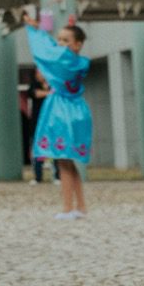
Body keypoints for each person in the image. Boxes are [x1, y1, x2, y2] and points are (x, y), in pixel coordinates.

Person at [25, 19, 91, 219]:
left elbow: (45, 51)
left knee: (62, 162)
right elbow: (51, 49)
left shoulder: (65, 62)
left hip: (61, 111)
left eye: (65, 40)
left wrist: (34, 31)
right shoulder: (79, 62)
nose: (60, 44)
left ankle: (67, 208)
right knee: (69, 162)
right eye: (59, 39)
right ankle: (80, 206)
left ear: (77, 44)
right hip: (76, 108)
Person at [25, 68, 52, 184]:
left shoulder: (52, 84)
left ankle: (57, 176)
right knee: (38, 150)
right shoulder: (33, 86)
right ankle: (38, 177)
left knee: (54, 148)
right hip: (37, 123)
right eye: (40, 72)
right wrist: (49, 93)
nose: (41, 75)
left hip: (51, 122)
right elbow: (35, 94)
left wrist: (48, 91)